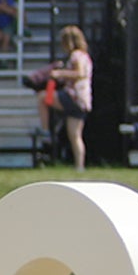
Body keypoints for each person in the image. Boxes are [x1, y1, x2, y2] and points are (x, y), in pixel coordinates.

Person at [38, 24, 92, 169]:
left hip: (73, 96)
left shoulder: (76, 56)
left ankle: (46, 131)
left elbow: (79, 73)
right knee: (75, 136)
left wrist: (59, 73)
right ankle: (79, 166)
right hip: (83, 101)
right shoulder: (85, 56)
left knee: (43, 97)